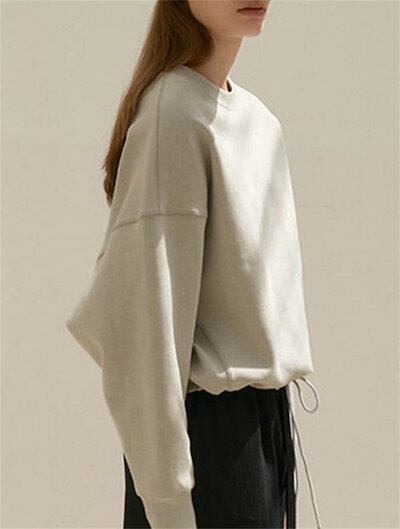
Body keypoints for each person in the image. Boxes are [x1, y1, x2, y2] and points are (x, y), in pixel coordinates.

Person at [65, 1, 322, 528]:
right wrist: (167, 501)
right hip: (206, 444)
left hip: (264, 431)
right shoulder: (174, 113)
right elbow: (144, 327)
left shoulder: (260, 124)